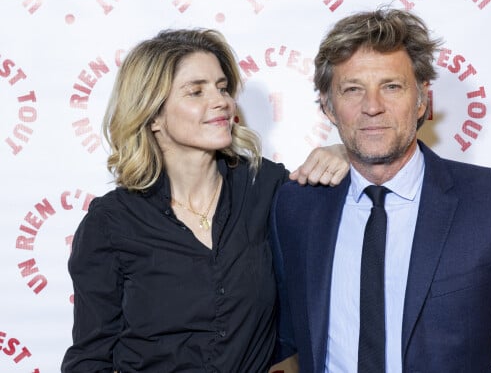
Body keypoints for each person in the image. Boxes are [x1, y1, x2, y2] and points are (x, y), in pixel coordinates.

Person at [270, 7, 491, 372]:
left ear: (422, 98)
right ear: (327, 105)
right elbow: (284, 340)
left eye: (391, 86)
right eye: (352, 89)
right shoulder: (296, 206)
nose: (372, 107)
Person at [61, 28, 348, 373]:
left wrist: (345, 151)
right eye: (195, 91)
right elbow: (90, 358)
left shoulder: (266, 187)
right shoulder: (111, 222)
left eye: (222, 87)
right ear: (153, 115)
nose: (222, 102)